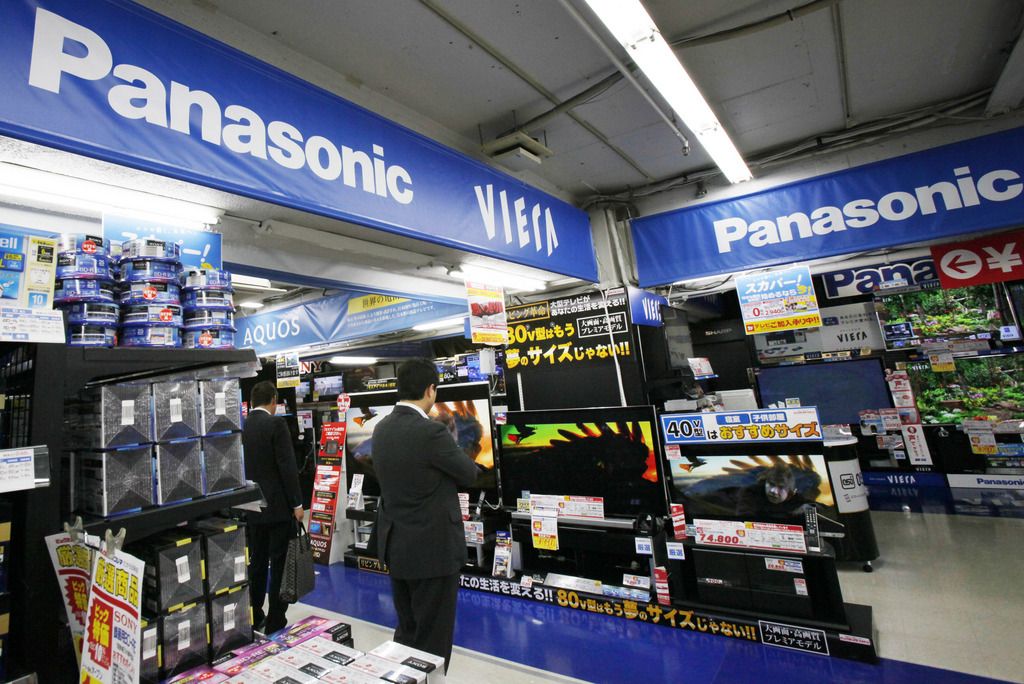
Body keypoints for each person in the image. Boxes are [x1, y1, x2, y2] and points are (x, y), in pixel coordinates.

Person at [372, 359, 479, 671]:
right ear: (431, 390)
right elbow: (470, 473)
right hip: (433, 551)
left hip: (397, 546)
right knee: (433, 639)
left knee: (407, 631)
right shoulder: (431, 432)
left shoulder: (381, 428)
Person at [242, 380, 305, 634]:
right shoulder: (276, 424)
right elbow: (287, 467)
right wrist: (297, 503)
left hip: (251, 506)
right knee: (279, 562)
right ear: (273, 401)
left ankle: (254, 613)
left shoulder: (242, 427)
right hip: (278, 508)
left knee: (256, 562)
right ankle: (276, 617)